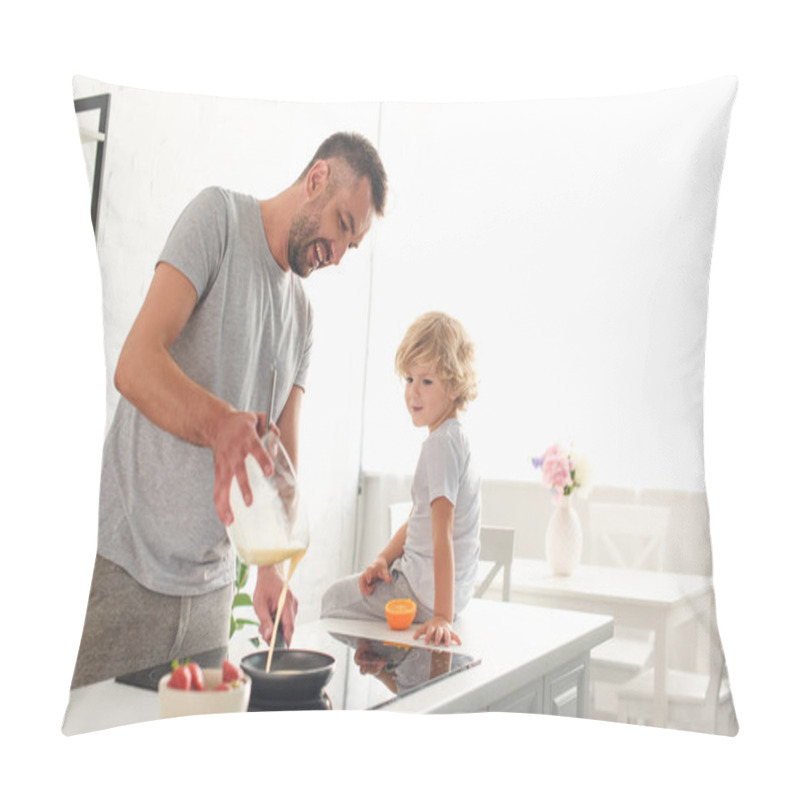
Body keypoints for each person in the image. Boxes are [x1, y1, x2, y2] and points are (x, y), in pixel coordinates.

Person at [71, 132, 388, 688]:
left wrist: (270, 566)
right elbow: (135, 364)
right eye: (341, 224)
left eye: (351, 246)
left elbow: (281, 456)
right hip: (125, 568)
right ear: (316, 179)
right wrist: (220, 425)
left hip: (211, 593)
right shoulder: (216, 219)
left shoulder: (302, 317)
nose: (337, 254)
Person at [321, 311, 480, 647]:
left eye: (426, 381)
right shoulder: (455, 438)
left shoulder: (440, 445)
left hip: (423, 594)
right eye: (409, 380)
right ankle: (384, 660)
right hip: (448, 593)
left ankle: (377, 663)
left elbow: (443, 535)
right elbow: (418, 519)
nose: (413, 393)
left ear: (453, 387)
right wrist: (383, 558)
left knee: (332, 602)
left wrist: (441, 616)